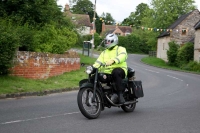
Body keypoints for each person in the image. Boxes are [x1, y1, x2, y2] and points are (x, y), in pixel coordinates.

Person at [93, 33, 128, 104]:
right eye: (106, 41)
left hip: (120, 70)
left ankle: (120, 94)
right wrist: (92, 68)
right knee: (97, 76)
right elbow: (98, 62)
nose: (107, 43)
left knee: (116, 72)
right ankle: (103, 95)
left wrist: (114, 60)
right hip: (108, 72)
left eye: (108, 41)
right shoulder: (104, 52)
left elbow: (123, 56)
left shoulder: (120, 49)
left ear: (113, 41)